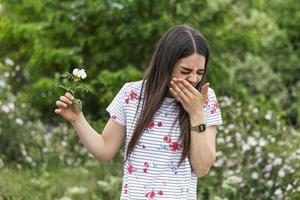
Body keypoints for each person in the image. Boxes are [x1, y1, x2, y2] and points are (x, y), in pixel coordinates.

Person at [55, 24, 223, 200]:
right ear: (165, 64)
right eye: (185, 71)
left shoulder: (205, 99)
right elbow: (104, 150)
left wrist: (196, 114)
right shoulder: (132, 94)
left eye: (200, 72)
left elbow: (202, 168)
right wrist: (77, 119)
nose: (194, 79)